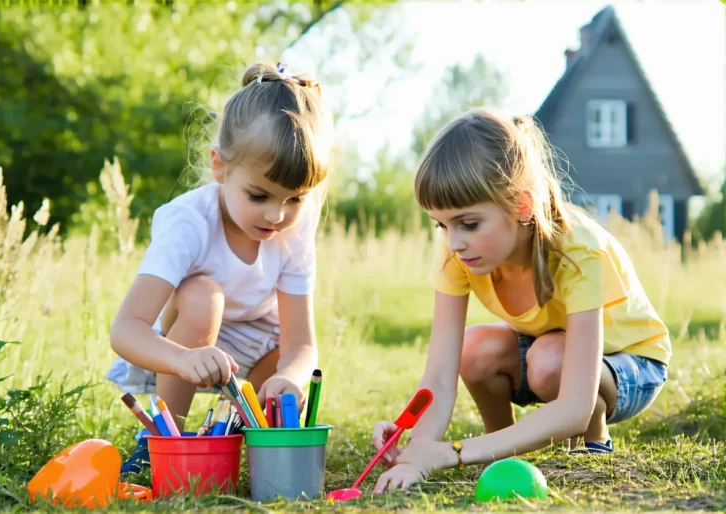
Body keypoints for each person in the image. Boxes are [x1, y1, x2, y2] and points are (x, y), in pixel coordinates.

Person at [370, 107, 670, 493]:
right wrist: (418, 448)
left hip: (630, 366)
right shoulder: (455, 249)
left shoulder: (578, 251)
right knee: (475, 348)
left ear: (522, 206)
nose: (453, 242)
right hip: (553, 350)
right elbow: (439, 378)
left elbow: (573, 405)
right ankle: (503, 452)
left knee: (548, 361)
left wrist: (454, 452)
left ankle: (594, 443)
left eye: (468, 223)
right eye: (441, 225)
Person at [107, 62, 333, 473]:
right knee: (202, 297)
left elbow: (300, 344)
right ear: (220, 167)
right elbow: (126, 329)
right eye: (259, 195)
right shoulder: (188, 222)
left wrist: (292, 378)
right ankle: (162, 441)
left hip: (259, 341)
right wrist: (181, 360)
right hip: (187, 336)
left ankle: (255, 444)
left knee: (281, 385)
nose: (277, 215)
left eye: (295, 199)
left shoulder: (296, 231)